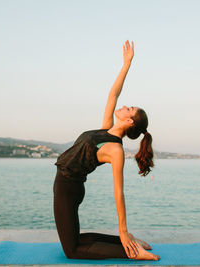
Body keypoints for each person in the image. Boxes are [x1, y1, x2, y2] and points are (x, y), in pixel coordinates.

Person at [53, 40, 160, 260]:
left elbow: (118, 193)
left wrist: (121, 229)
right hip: (67, 186)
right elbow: (113, 95)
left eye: (128, 108)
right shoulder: (106, 130)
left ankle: (130, 252)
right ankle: (131, 241)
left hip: (67, 188)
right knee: (77, 239)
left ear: (130, 121)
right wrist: (126, 65)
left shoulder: (115, 150)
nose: (123, 106)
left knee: (72, 251)